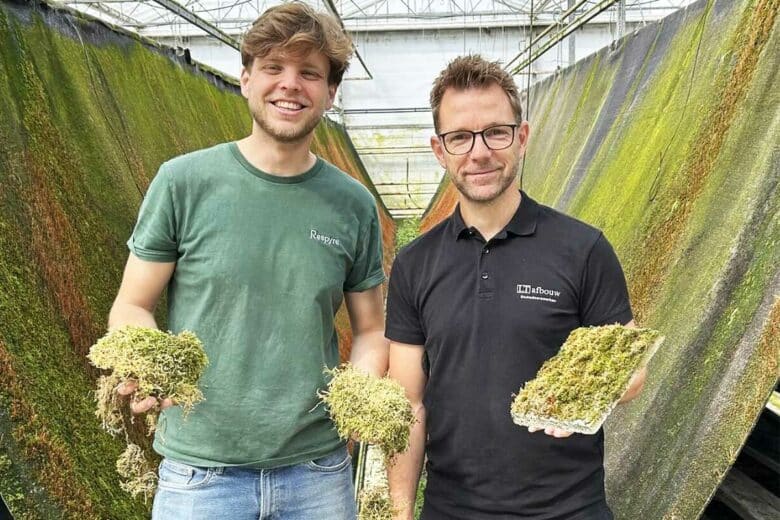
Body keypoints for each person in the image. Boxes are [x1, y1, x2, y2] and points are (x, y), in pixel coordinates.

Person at [108, 3, 388, 518]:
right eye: (273, 67)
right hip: (200, 475)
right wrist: (145, 359)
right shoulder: (183, 183)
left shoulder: (352, 204)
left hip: (317, 472)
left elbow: (371, 329)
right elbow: (132, 304)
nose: (290, 84)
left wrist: (360, 396)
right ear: (245, 79)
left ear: (330, 93)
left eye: (310, 73)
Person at [385, 55, 646, 520]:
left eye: (496, 132)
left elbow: (631, 369)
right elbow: (409, 404)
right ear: (439, 150)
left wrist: (586, 395)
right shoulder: (414, 264)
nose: (479, 152)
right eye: (460, 137)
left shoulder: (583, 249)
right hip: (452, 510)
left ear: (521, 137)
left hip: (569, 510)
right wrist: (401, 511)